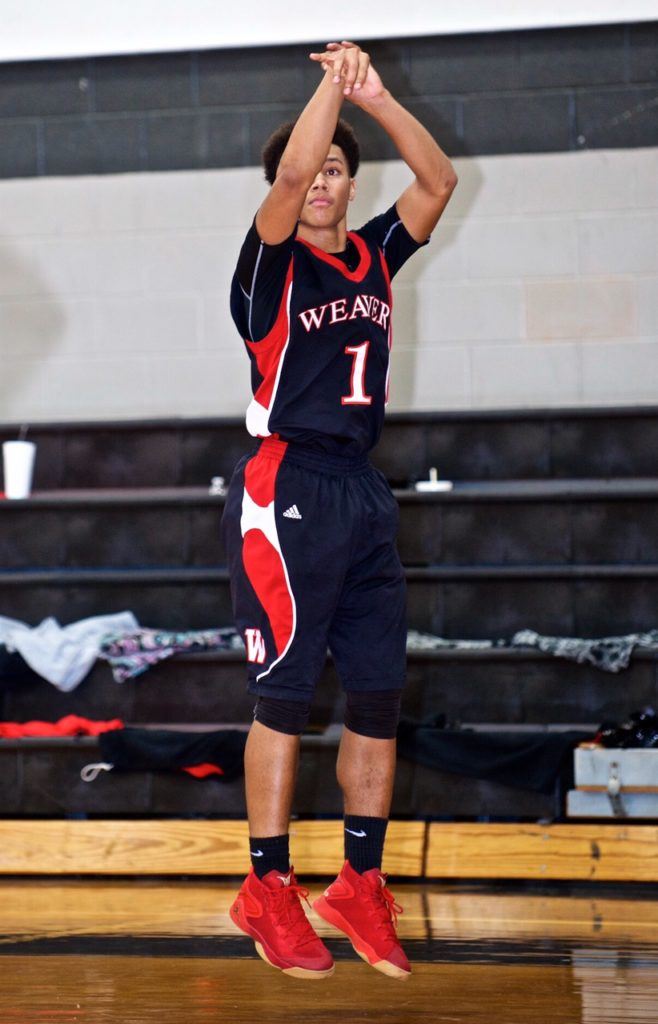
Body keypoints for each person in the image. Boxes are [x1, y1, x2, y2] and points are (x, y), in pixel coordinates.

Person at [222, 40, 457, 980]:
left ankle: (359, 880)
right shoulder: (267, 266)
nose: (320, 178)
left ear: (352, 184)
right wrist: (330, 82)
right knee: (284, 696)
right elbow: (285, 171)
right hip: (290, 487)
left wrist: (377, 95)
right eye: (310, 168)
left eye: (336, 168)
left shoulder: (373, 255)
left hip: (362, 488)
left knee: (377, 695)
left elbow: (437, 180)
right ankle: (267, 886)